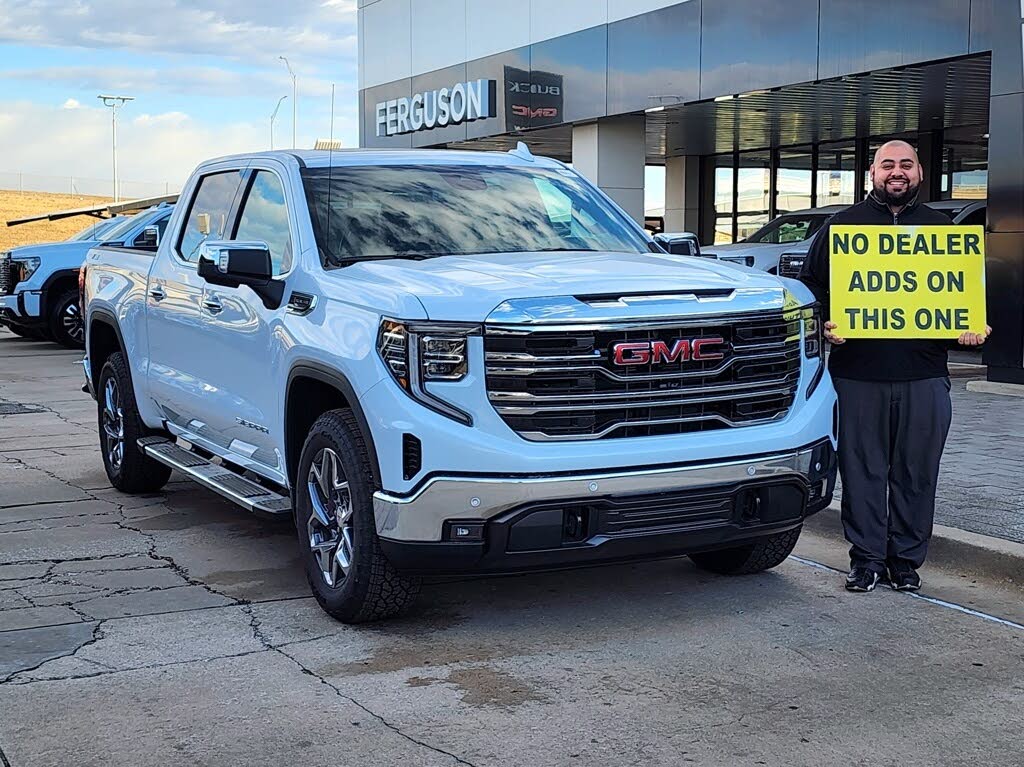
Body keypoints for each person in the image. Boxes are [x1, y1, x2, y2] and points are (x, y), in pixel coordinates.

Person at [798, 140, 991, 593]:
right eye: (888, 164)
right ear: (873, 172)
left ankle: (905, 561)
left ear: (920, 172)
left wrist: (970, 329)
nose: (897, 172)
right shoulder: (840, 228)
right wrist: (823, 322)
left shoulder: (944, 230)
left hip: (925, 374)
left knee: (917, 474)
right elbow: (809, 289)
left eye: (906, 164)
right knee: (862, 473)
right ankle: (865, 560)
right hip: (857, 374)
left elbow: (963, 298)